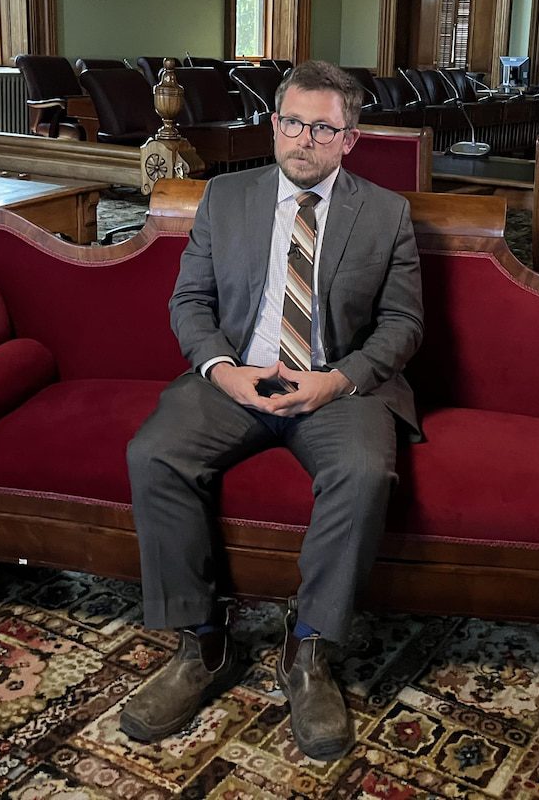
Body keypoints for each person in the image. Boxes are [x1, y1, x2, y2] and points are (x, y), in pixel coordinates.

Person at [122, 60, 424, 761]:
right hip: (237, 377)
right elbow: (189, 303)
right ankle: (202, 644)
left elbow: (403, 324)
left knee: (364, 471)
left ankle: (309, 651)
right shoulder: (226, 197)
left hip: (334, 385)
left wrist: (340, 380)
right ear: (274, 123)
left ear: (351, 138)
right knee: (154, 451)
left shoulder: (386, 213)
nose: (303, 139)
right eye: (292, 121)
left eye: (323, 127)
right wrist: (223, 371)